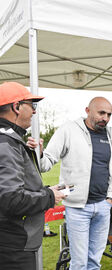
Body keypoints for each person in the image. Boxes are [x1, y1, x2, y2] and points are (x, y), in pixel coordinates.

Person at [29, 97, 112, 270]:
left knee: (94, 262)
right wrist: (39, 153)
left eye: (109, 114)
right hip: (77, 209)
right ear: (88, 110)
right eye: (101, 113)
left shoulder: (111, 135)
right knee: (79, 263)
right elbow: (45, 164)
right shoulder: (68, 130)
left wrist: (110, 198)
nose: (106, 118)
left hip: (103, 206)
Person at [0, 82, 65, 270]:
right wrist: (50, 196)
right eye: (32, 105)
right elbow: (11, 199)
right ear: (16, 107)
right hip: (13, 246)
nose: (35, 112)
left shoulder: (10, 140)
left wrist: (45, 191)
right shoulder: (7, 144)